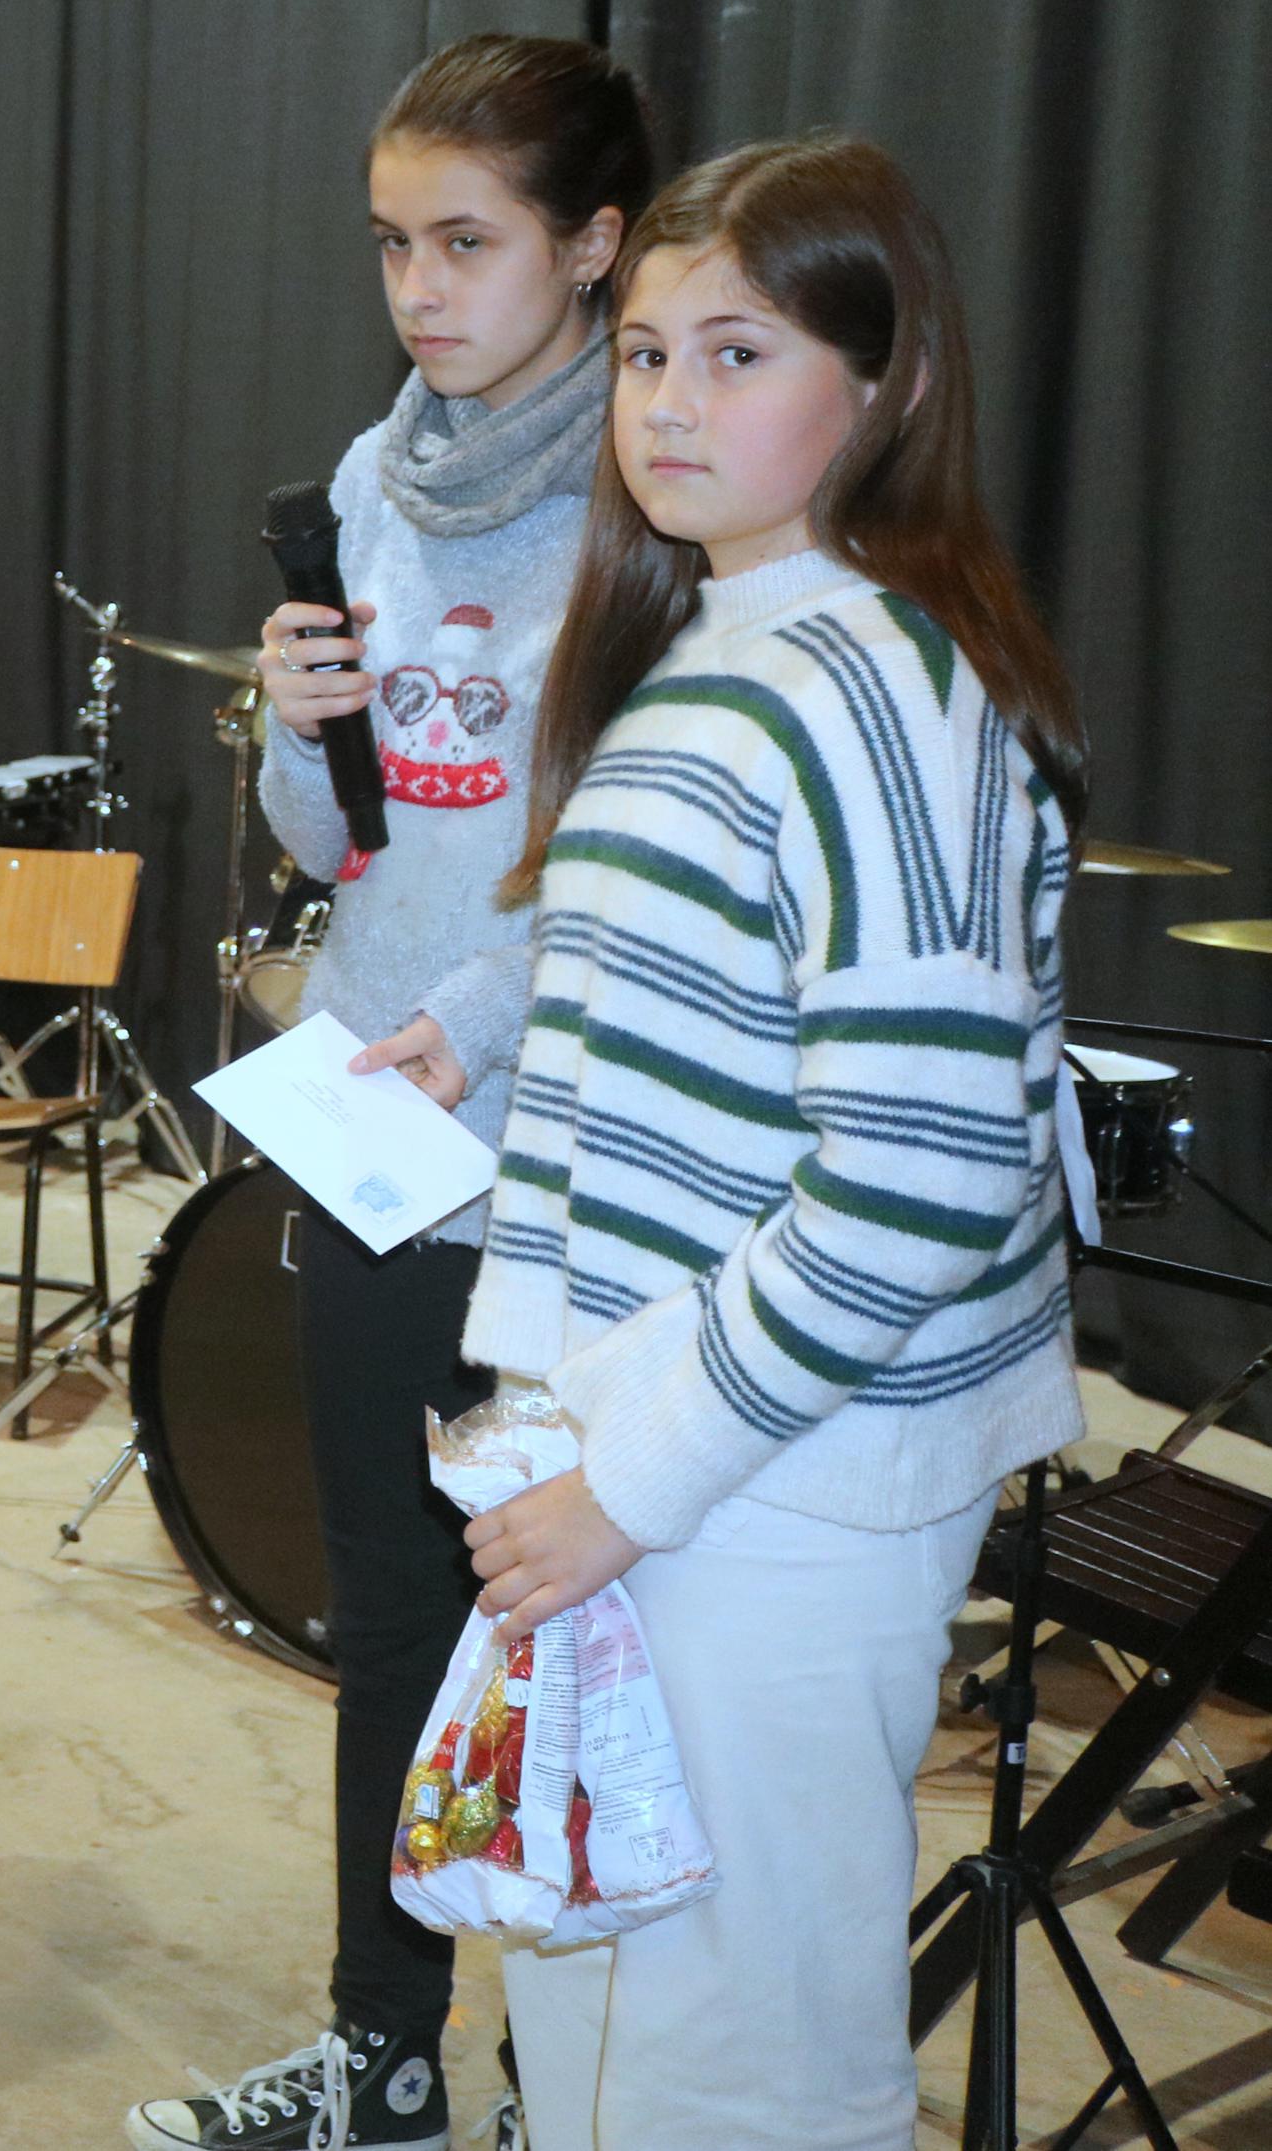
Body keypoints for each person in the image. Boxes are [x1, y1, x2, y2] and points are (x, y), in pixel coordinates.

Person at [461, 134, 1086, 2149]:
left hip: (769, 1489)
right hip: (648, 1467)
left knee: (735, 2060)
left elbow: (916, 1176)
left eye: (736, 355)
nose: (667, 406)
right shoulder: (721, 640)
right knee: (591, 1994)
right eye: (645, 353)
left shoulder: (885, 678)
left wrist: (632, 1478)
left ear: (884, 381)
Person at [130, 35, 650, 2151]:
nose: (421, 288)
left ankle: (580, 2074)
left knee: (581, 1636)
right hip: (377, 1128)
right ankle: (386, 2052)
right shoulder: (372, 477)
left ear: (596, 244)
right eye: (391, 246)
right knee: (391, 1602)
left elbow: (657, 846)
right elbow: (340, 849)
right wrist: (293, 724)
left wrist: (493, 1007)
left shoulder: (661, 485)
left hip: (578, 1159)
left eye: (468, 242)